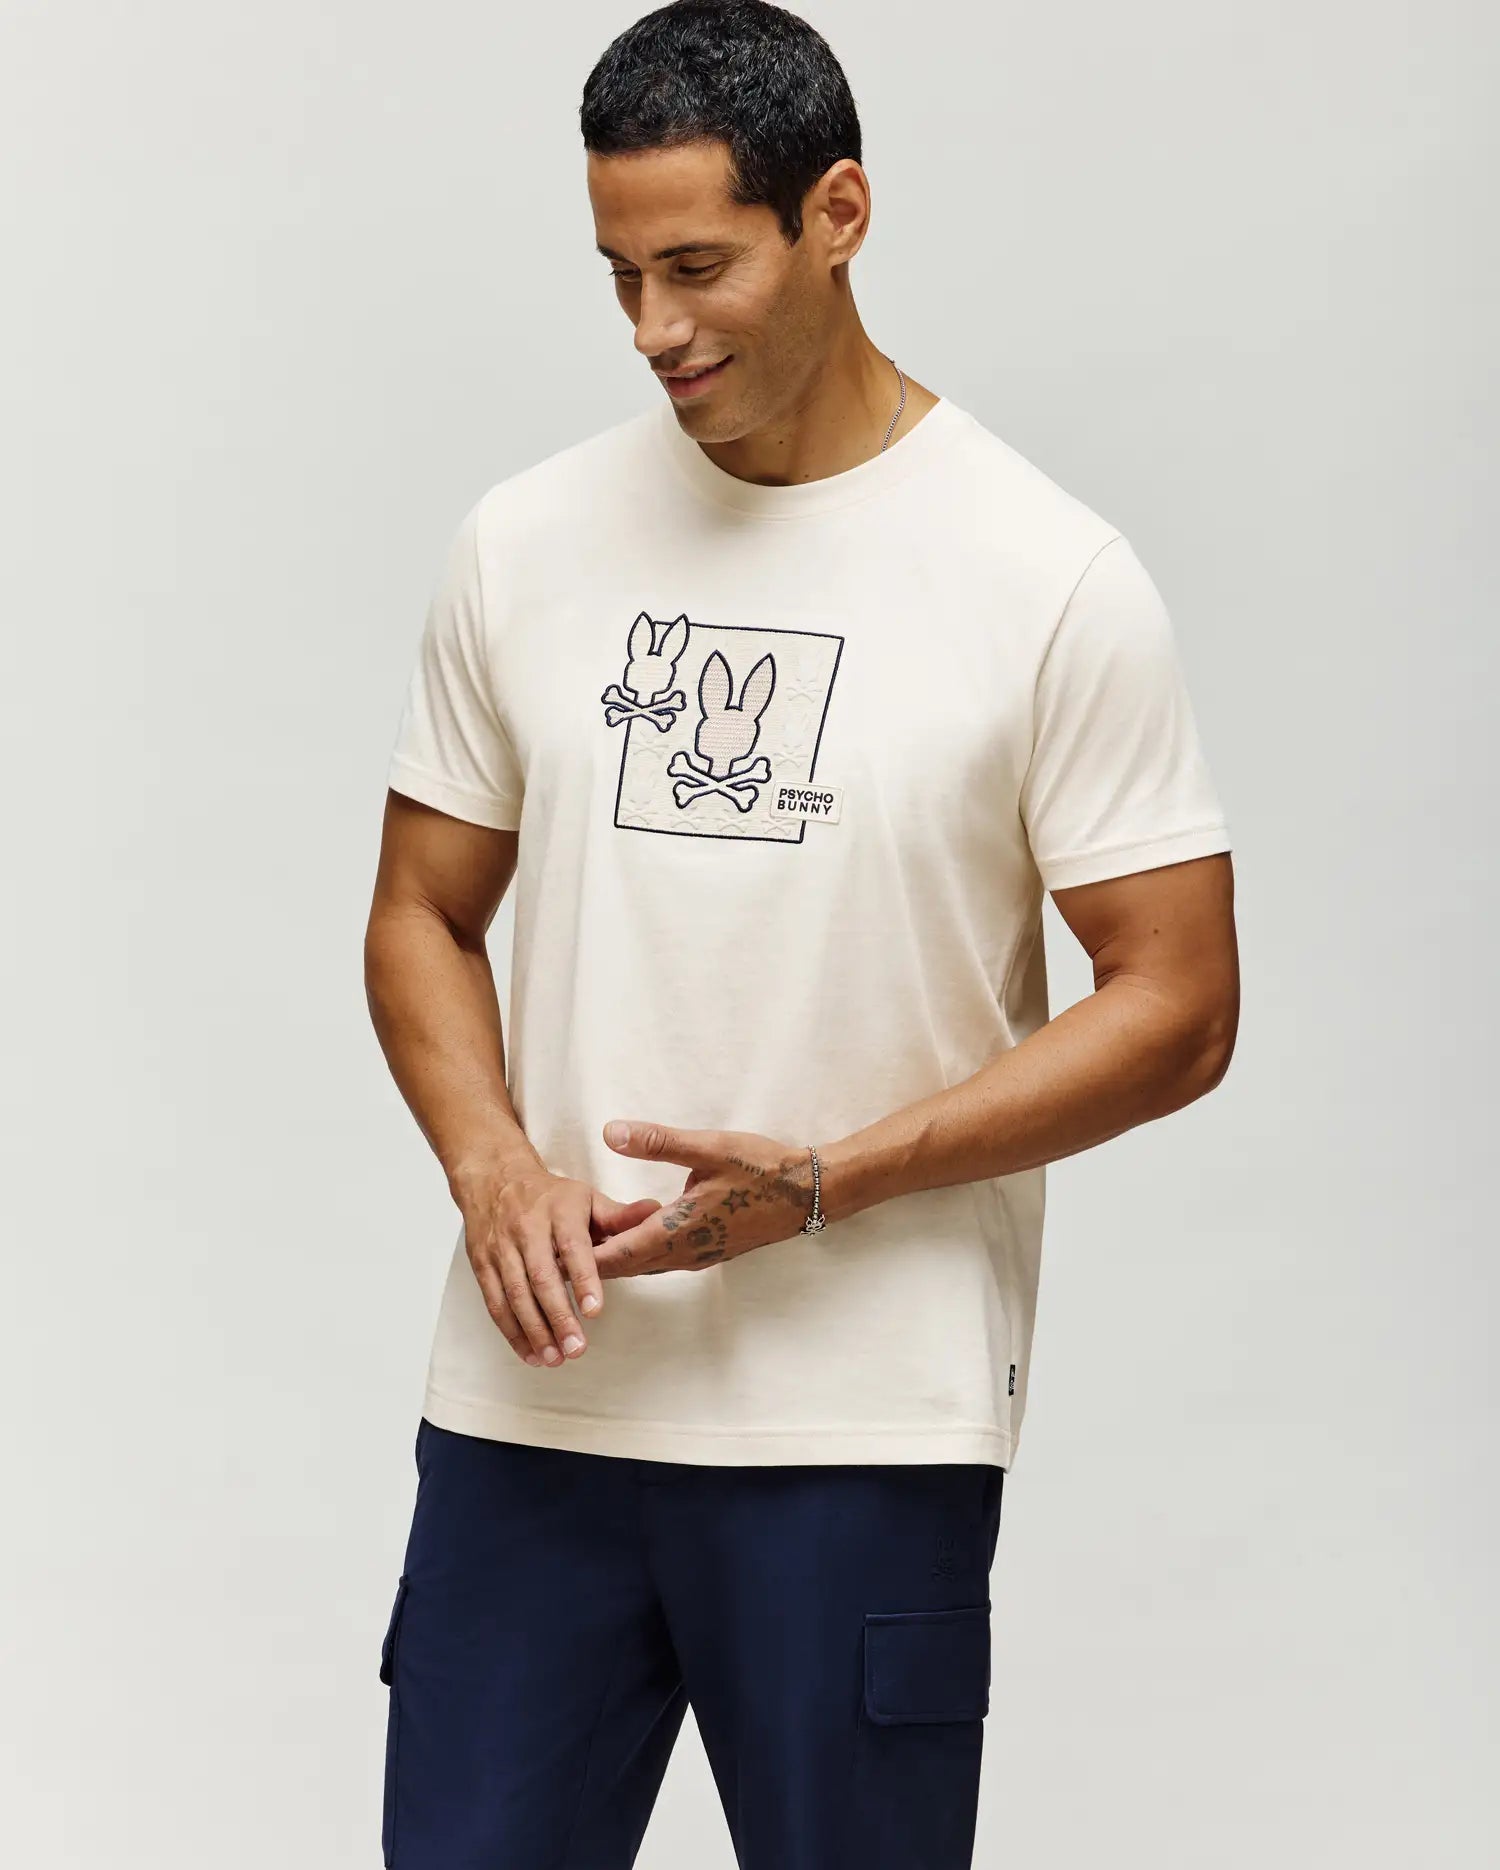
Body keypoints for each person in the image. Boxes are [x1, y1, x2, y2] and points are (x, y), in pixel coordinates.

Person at [363, 2, 1240, 1864]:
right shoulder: (524, 542)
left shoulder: (1046, 574)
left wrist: (833, 1180)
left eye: (697, 268)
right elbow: (422, 912)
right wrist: (490, 1163)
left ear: (837, 212)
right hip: (539, 1411)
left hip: (864, 1429)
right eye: (619, 276)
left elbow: (1179, 1000)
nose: (652, 329)